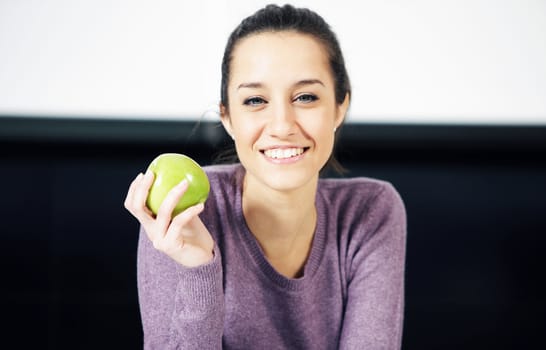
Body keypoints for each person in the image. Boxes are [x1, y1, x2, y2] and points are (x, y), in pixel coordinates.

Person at [124, 4, 406, 349]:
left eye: (305, 97)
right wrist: (199, 268)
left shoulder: (371, 212)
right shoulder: (180, 215)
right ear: (227, 118)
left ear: (339, 108)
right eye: (256, 100)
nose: (282, 125)